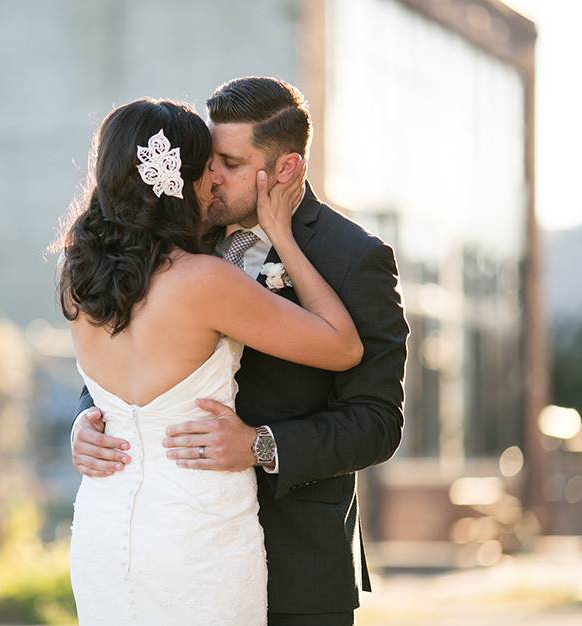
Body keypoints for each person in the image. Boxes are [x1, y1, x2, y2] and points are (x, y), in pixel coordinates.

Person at [70, 77, 410, 626]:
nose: (209, 176)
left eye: (228, 162)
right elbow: (122, 359)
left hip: (300, 563)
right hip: (172, 540)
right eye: (207, 158)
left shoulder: (353, 258)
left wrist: (261, 446)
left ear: (285, 169)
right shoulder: (177, 241)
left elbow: (377, 422)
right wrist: (88, 420)